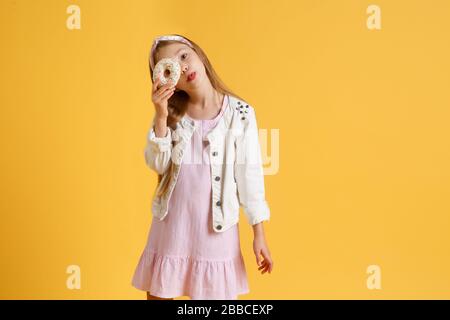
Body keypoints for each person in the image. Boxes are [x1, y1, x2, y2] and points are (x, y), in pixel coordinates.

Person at [131, 34, 273, 300]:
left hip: (215, 233)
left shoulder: (240, 113)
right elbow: (158, 163)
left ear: (198, 53)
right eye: (172, 67)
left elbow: (250, 177)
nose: (183, 67)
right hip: (174, 228)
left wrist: (259, 234)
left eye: (184, 56)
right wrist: (160, 114)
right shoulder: (172, 116)